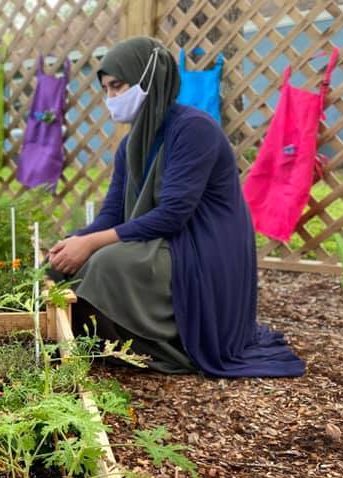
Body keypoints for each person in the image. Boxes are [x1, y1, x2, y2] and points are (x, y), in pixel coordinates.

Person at [48, 37, 303, 378]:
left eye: (118, 86)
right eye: (106, 89)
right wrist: (73, 242)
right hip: (164, 239)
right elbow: (112, 214)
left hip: (202, 246)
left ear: (148, 78)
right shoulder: (131, 144)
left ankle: (154, 346)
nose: (111, 98)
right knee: (67, 267)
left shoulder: (193, 129)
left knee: (107, 263)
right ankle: (104, 341)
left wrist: (92, 244)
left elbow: (173, 215)